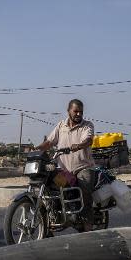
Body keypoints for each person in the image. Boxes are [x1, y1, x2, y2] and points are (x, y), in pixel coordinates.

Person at [37, 99, 95, 231]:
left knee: (84, 191)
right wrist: (36, 148)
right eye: (76, 111)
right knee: (51, 188)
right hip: (64, 170)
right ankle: (54, 219)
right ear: (68, 111)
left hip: (83, 168)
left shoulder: (87, 125)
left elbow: (88, 140)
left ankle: (88, 227)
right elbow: (49, 142)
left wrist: (79, 145)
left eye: (81, 111)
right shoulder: (61, 126)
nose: (79, 114)